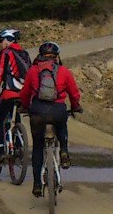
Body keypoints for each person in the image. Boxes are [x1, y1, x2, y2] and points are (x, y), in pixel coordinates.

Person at [19, 41, 82, 197]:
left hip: (38, 111)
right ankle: (64, 151)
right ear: (57, 56)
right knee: (62, 126)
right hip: (58, 110)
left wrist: (25, 106)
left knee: (38, 146)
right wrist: (75, 106)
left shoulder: (33, 71)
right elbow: (74, 93)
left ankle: (37, 185)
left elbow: (25, 93)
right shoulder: (64, 71)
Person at [0, 28, 31, 166]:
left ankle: (1, 150)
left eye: (2, 40)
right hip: (25, 94)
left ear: (8, 40)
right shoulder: (25, 54)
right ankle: (18, 143)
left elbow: (0, 73)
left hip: (10, 93)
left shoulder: (6, 53)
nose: (0, 43)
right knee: (17, 115)